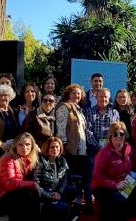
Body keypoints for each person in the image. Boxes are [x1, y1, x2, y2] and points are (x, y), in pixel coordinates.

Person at [0, 132, 40, 220]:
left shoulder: (30, 159)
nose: (24, 148)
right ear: (15, 146)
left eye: (27, 144)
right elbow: (9, 184)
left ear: (32, 146)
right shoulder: (7, 159)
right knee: (26, 194)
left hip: (11, 197)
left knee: (31, 195)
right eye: (20, 145)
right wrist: (32, 184)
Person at [55, 84, 92, 213]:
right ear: (68, 94)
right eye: (73, 93)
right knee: (70, 182)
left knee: (81, 181)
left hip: (82, 152)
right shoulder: (64, 108)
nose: (76, 96)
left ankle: (78, 208)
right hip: (70, 151)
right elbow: (60, 130)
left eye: (78, 93)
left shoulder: (79, 109)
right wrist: (64, 148)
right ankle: (68, 209)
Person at [91, 122, 131, 221]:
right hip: (103, 186)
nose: (119, 136)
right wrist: (115, 185)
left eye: (121, 134)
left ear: (125, 135)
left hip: (122, 182)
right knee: (109, 210)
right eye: (115, 134)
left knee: (126, 208)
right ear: (110, 137)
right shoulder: (104, 153)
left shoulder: (128, 148)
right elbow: (97, 175)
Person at [34, 137, 72, 221]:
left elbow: (64, 179)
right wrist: (49, 195)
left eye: (57, 147)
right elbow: (36, 182)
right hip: (45, 194)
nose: (55, 149)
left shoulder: (62, 161)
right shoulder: (40, 162)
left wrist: (59, 192)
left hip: (58, 193)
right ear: (47, 148)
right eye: (52, 147)